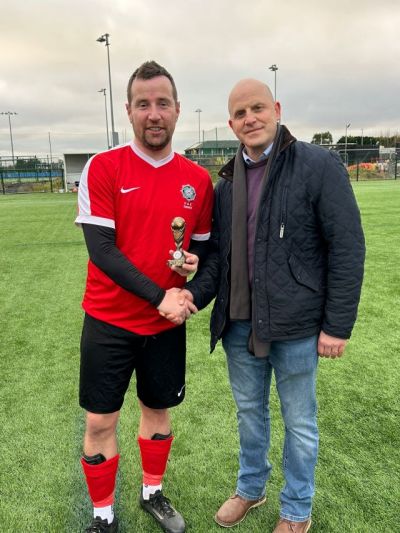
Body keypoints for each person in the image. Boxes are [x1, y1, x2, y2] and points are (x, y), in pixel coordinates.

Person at [184, 79, 365, 533]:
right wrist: (192, 293)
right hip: (239, 325)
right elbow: (217, 259)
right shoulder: (225, 184)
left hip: (297, 325)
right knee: (249, 414)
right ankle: (251, 488)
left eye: (258, 108)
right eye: (241, 113)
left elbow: (347, 246)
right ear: (231, 124)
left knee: (300, 422)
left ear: (277, 108)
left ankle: (297, 510)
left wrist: (337, 326)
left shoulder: (318, 166)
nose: (251, 118)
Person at [75, 60, 213, 533]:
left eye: (162, 104)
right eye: (143, 104)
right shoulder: (104, 167)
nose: (153, 113)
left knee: (158, 412)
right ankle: (103, 515)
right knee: (99, 424)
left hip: (165, 327)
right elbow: (103, 251)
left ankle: (152, 492)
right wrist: (159, 295)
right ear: (129, 113)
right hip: (109, 322)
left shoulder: (198, 179)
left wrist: (190, 282)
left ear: (177, 111)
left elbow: (202, 250)